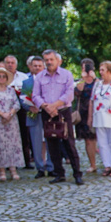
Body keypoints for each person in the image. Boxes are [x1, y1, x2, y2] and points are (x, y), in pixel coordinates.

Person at [33, 49, 83, 185]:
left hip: (63, 111)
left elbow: (69, 94)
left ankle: (77, 173)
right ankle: (59, 173)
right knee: (52, 144)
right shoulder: (39, 77)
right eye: (46, 60)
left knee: (69, 143)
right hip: (46, 113)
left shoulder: (67, 75)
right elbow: (35, 95)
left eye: (51, 59)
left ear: (57, 60)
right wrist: (46, 106)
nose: (49, 62)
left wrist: (54, 106)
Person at [0, 68, 25, 181]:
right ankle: (1, 170)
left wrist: (10, 114)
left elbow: (17, 104)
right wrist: (2, 114)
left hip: (11, 121)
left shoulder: (11, 90)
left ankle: (13, 169)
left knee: (12, 144)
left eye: (4, 76)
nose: (1, 78)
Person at [19, 57, 54, 178]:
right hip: (34, 115)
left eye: (40, 65)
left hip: (48, 114)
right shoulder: (26, 82)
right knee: (36, 143)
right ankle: (40, 168)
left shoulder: (49, 79)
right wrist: (29, 107)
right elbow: (22, 99)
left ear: (43, 67)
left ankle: (51, 167)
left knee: (51, 140)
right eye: (35, 66)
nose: (37, 68)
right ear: (30, 67)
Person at [3, 55, 32, 169]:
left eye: (12, 63)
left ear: (16, 64)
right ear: (4, 64)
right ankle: (7, 163)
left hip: (22, 110)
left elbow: (28, 93)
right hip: (5, 111)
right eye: (8, 62)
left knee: (24, 136)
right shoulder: (0, 76)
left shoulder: (23, 77)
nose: (10, 65)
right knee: (6, 137)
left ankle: (26, 160)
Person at [75, 58, 99, 172]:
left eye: (89, 67)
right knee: (88, 140)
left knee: (100, 139)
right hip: (84, 114)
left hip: (97, 112)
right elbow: (77, 93)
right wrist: (84, 79)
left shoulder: (98, 81)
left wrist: (94, 78)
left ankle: (108, 162)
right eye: (85, 67)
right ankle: (92, 164)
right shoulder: (80, 82)